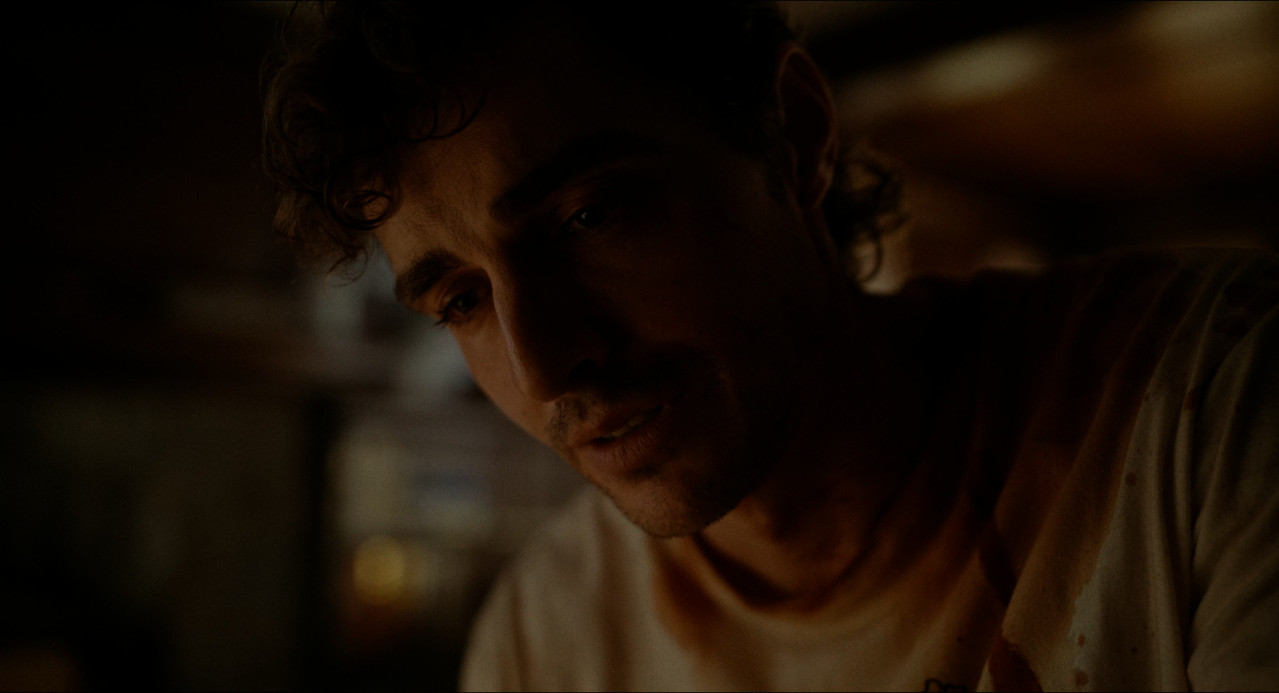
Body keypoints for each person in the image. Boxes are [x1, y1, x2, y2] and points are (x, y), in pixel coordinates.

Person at [261, 2, 1279, 690]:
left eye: (587, 217)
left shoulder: (1214, 400)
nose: (542, 364)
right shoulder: (546, 641)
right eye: (461, 300)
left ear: (790, 134)